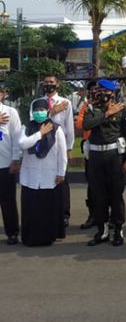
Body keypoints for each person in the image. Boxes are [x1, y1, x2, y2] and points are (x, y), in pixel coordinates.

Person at [82, 79, 126, 247]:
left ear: (112, 93)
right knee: (98, 195)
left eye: (105, 91)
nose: (101, 94)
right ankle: (102, 231)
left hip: (114, 155)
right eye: (99, 90)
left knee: (116, 194)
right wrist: (106, 114)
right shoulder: (91, 108)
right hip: (96, 155)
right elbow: (86, 124)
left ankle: (118, 229)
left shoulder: (121, 109)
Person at [18, 99, 67, 246]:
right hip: (30, 177)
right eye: (36, 109)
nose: (39, 112)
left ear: (47, 110)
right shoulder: (26, 127)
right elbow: (22, 144)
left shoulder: (56, 128)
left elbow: (62, 153)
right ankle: (29, 238)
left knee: (47, 209)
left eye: (42, 109)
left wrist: (61, 172)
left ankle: (48, 237)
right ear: (32, 112)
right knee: (31, 210)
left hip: (49, 176)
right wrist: (40, 134)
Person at [42, 75, 74, 228]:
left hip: (60, 145)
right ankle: (48, 212)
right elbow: (34, 120)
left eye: (51, 82)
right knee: (46, 180)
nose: (49, 85)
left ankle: (64, 214)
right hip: (43, 145)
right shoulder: (38, 103)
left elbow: (69, 128)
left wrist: (69, 147)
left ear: (57, 84)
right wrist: (52, 112)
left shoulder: (65, 102)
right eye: (46, 82)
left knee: (62, 181)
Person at [75, 80, 98, 229]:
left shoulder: (113, 105)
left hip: (109, 149)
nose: (98, 93)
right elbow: (80, 124)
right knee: (92, 183)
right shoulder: (86, 106)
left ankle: (109, 216)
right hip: (91, 146)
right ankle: (93, 215)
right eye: (95, 90)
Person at [0, 85, 21, 245]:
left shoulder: (10, 112)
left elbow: (16, 137)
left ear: (2, 95)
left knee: (8, 201)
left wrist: (16, 159)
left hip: (5, 164)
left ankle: (12, 232)